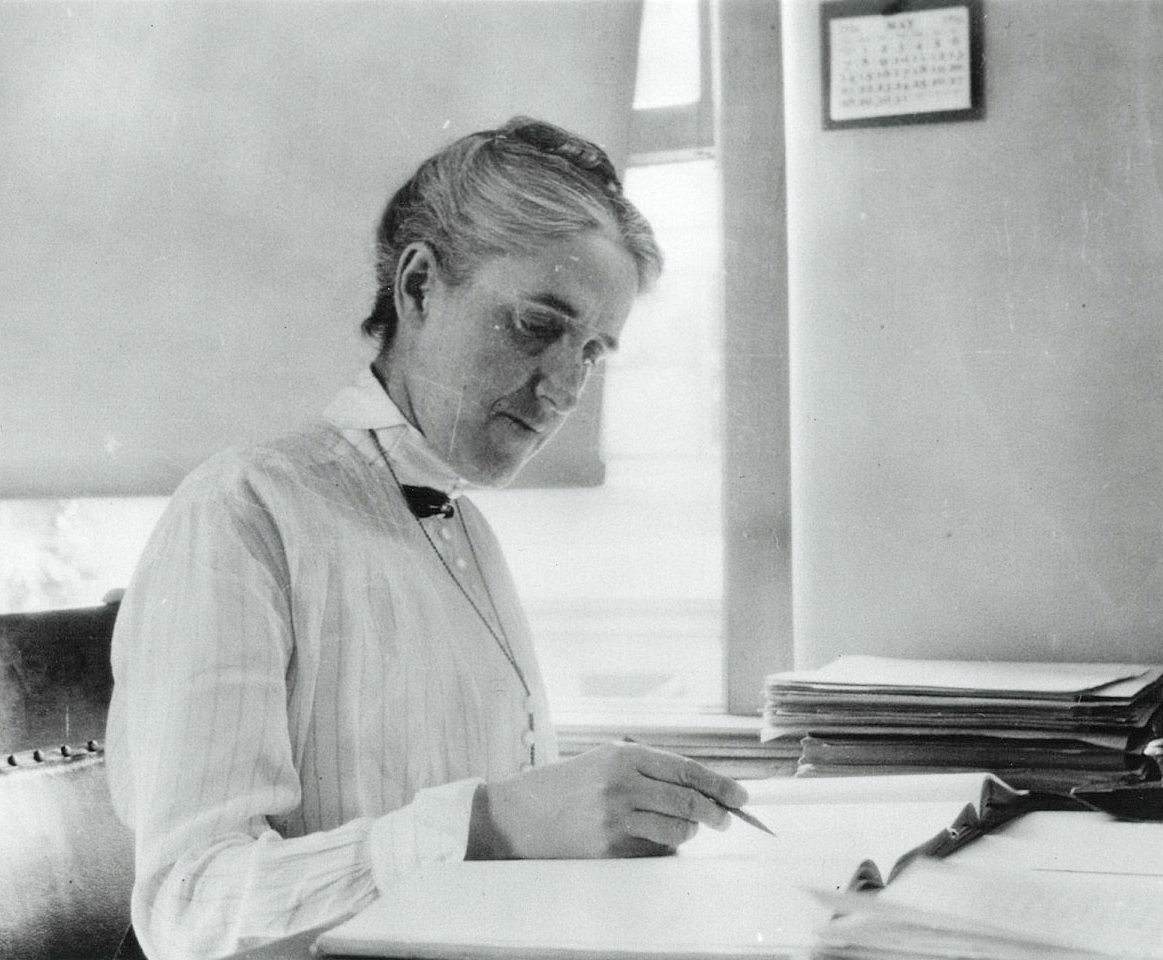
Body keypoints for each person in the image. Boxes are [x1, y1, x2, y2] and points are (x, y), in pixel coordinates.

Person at [106, 116, 749, 959]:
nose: (563, 389)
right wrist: (490, 822)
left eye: (592, 351)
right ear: (417, 288)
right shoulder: (245, 508)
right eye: (536, 326)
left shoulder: (465, 530)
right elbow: (188, 910)